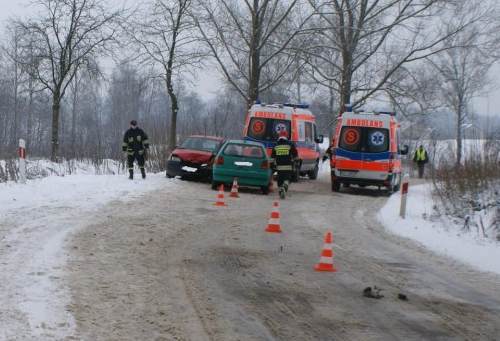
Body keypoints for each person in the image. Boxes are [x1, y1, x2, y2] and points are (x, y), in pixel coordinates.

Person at [271, 130, 298, 199]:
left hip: (279, 166)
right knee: (287, 178)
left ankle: (281, 189)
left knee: (280, 180)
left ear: (279, 136)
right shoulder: (290, 144)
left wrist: (272, 166)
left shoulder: (276, 145)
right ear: (286, 136)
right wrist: (296, 162)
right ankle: (285, 186)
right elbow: (295, 154)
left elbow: (272, 157)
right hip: (288, 165)